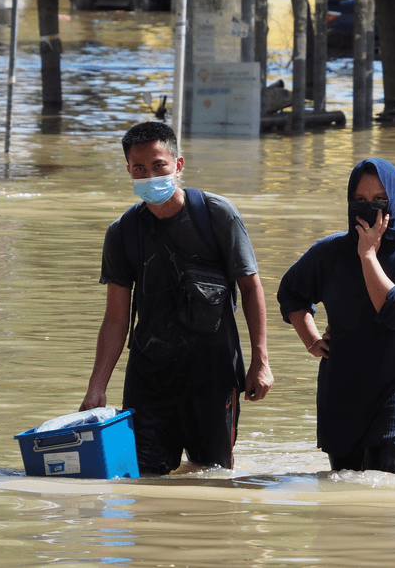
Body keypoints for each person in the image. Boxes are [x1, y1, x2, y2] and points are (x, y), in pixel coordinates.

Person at [80, 121, 273, 475]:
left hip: (213, 374)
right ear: (128, 171)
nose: (149, 175)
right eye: (139, 168)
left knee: (211, 476)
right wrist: (97, 387)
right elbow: (116, 317)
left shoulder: (217, 215)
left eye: (158, 165)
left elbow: (251, 288)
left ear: (178, 165)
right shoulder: (123, 232)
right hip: (149, 375)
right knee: (143, 479)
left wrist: (261, 360)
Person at [277, 158, 395, 475]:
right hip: (342, 386)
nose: (368, 209)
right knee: (343, 485)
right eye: (360, 201)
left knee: (386, 484)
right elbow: (291, 293)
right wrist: (310, 339)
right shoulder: (330, 252)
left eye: (380, 200)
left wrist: (368, 255)